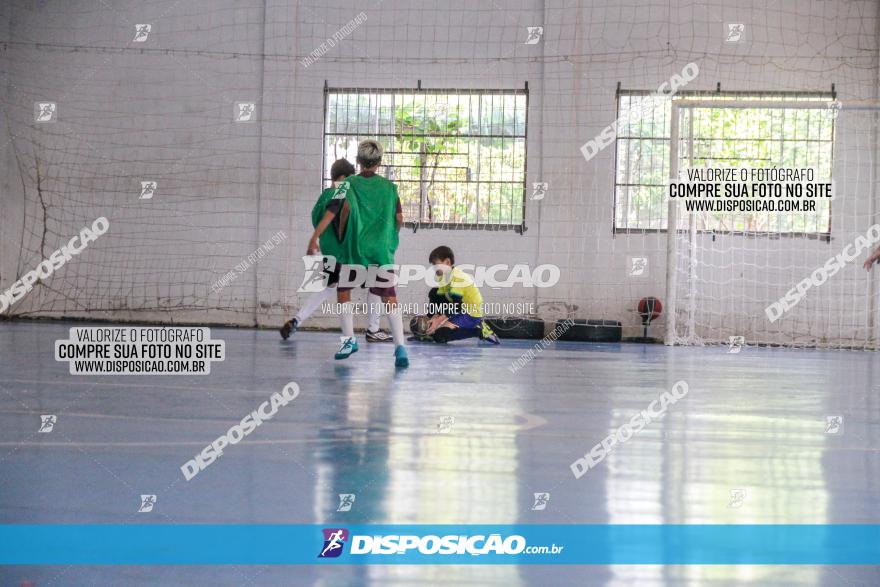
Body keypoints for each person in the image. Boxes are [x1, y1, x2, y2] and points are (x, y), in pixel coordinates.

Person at [307, 140, 409, 367]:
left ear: (358, 162)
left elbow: (333, 210)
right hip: (381, 252)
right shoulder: (390, 189)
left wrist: (315, 237)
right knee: (389, 298)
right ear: (379, 163)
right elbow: (399, 219)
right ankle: (400, 347)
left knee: (343, 292)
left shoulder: (347, 184)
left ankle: (349, 340)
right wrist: (390, 236)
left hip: (354, 252)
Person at [281, 158, 392, 342]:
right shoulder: (344, 191)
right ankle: (372, 330)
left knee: (328, 287)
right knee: (375, 283)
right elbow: (344, 215)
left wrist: (317, 238)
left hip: (330, 252)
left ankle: (297, 319)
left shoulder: (324, 195)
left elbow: (317, 217)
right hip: (350, 250)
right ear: (343, 178)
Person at [418, 245, 499, 344]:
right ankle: (430, 327)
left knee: (440, 336)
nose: (434, 268)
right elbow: (439, 299)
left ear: (447, 262)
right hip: (459, 307)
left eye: (436, 265)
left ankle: (479, 330)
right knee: (434, 293)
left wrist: (439, 321)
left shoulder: (458, 278)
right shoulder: (442, 276)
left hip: (470, 313)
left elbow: (457, 306)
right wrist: (435, 316)